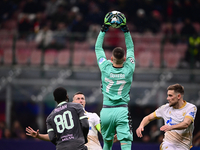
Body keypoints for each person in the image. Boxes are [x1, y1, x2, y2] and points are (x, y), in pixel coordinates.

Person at [95, 12, 135, 150]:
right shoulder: (129, 68)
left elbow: (98, 48)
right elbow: (130, 48)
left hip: (106, 111)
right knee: (126, 142)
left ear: (111, 58)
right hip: (121, 110)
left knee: (107, 143)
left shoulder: (105, 67)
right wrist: (126, 30)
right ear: (125, 59)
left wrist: (103, 29)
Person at [26, 91, 106, 150]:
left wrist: (110, 137)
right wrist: (39, 136)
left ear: (85, 101)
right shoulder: (67, 119)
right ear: (73, 102)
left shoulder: (93, 116)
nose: (81, 100)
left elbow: (102, 130)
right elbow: (55, 136)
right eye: (78, 99)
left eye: (82, 99)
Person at [136, 84, 197, 150]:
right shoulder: (165, 108)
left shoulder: (190, 108)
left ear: (178, 96)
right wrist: (141, 126)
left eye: (170, 95)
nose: (167, 98)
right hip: (168, 144)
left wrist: (171, 127)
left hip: (184, 146)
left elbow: (186, 124)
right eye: (168, 95)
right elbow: (148, 118)